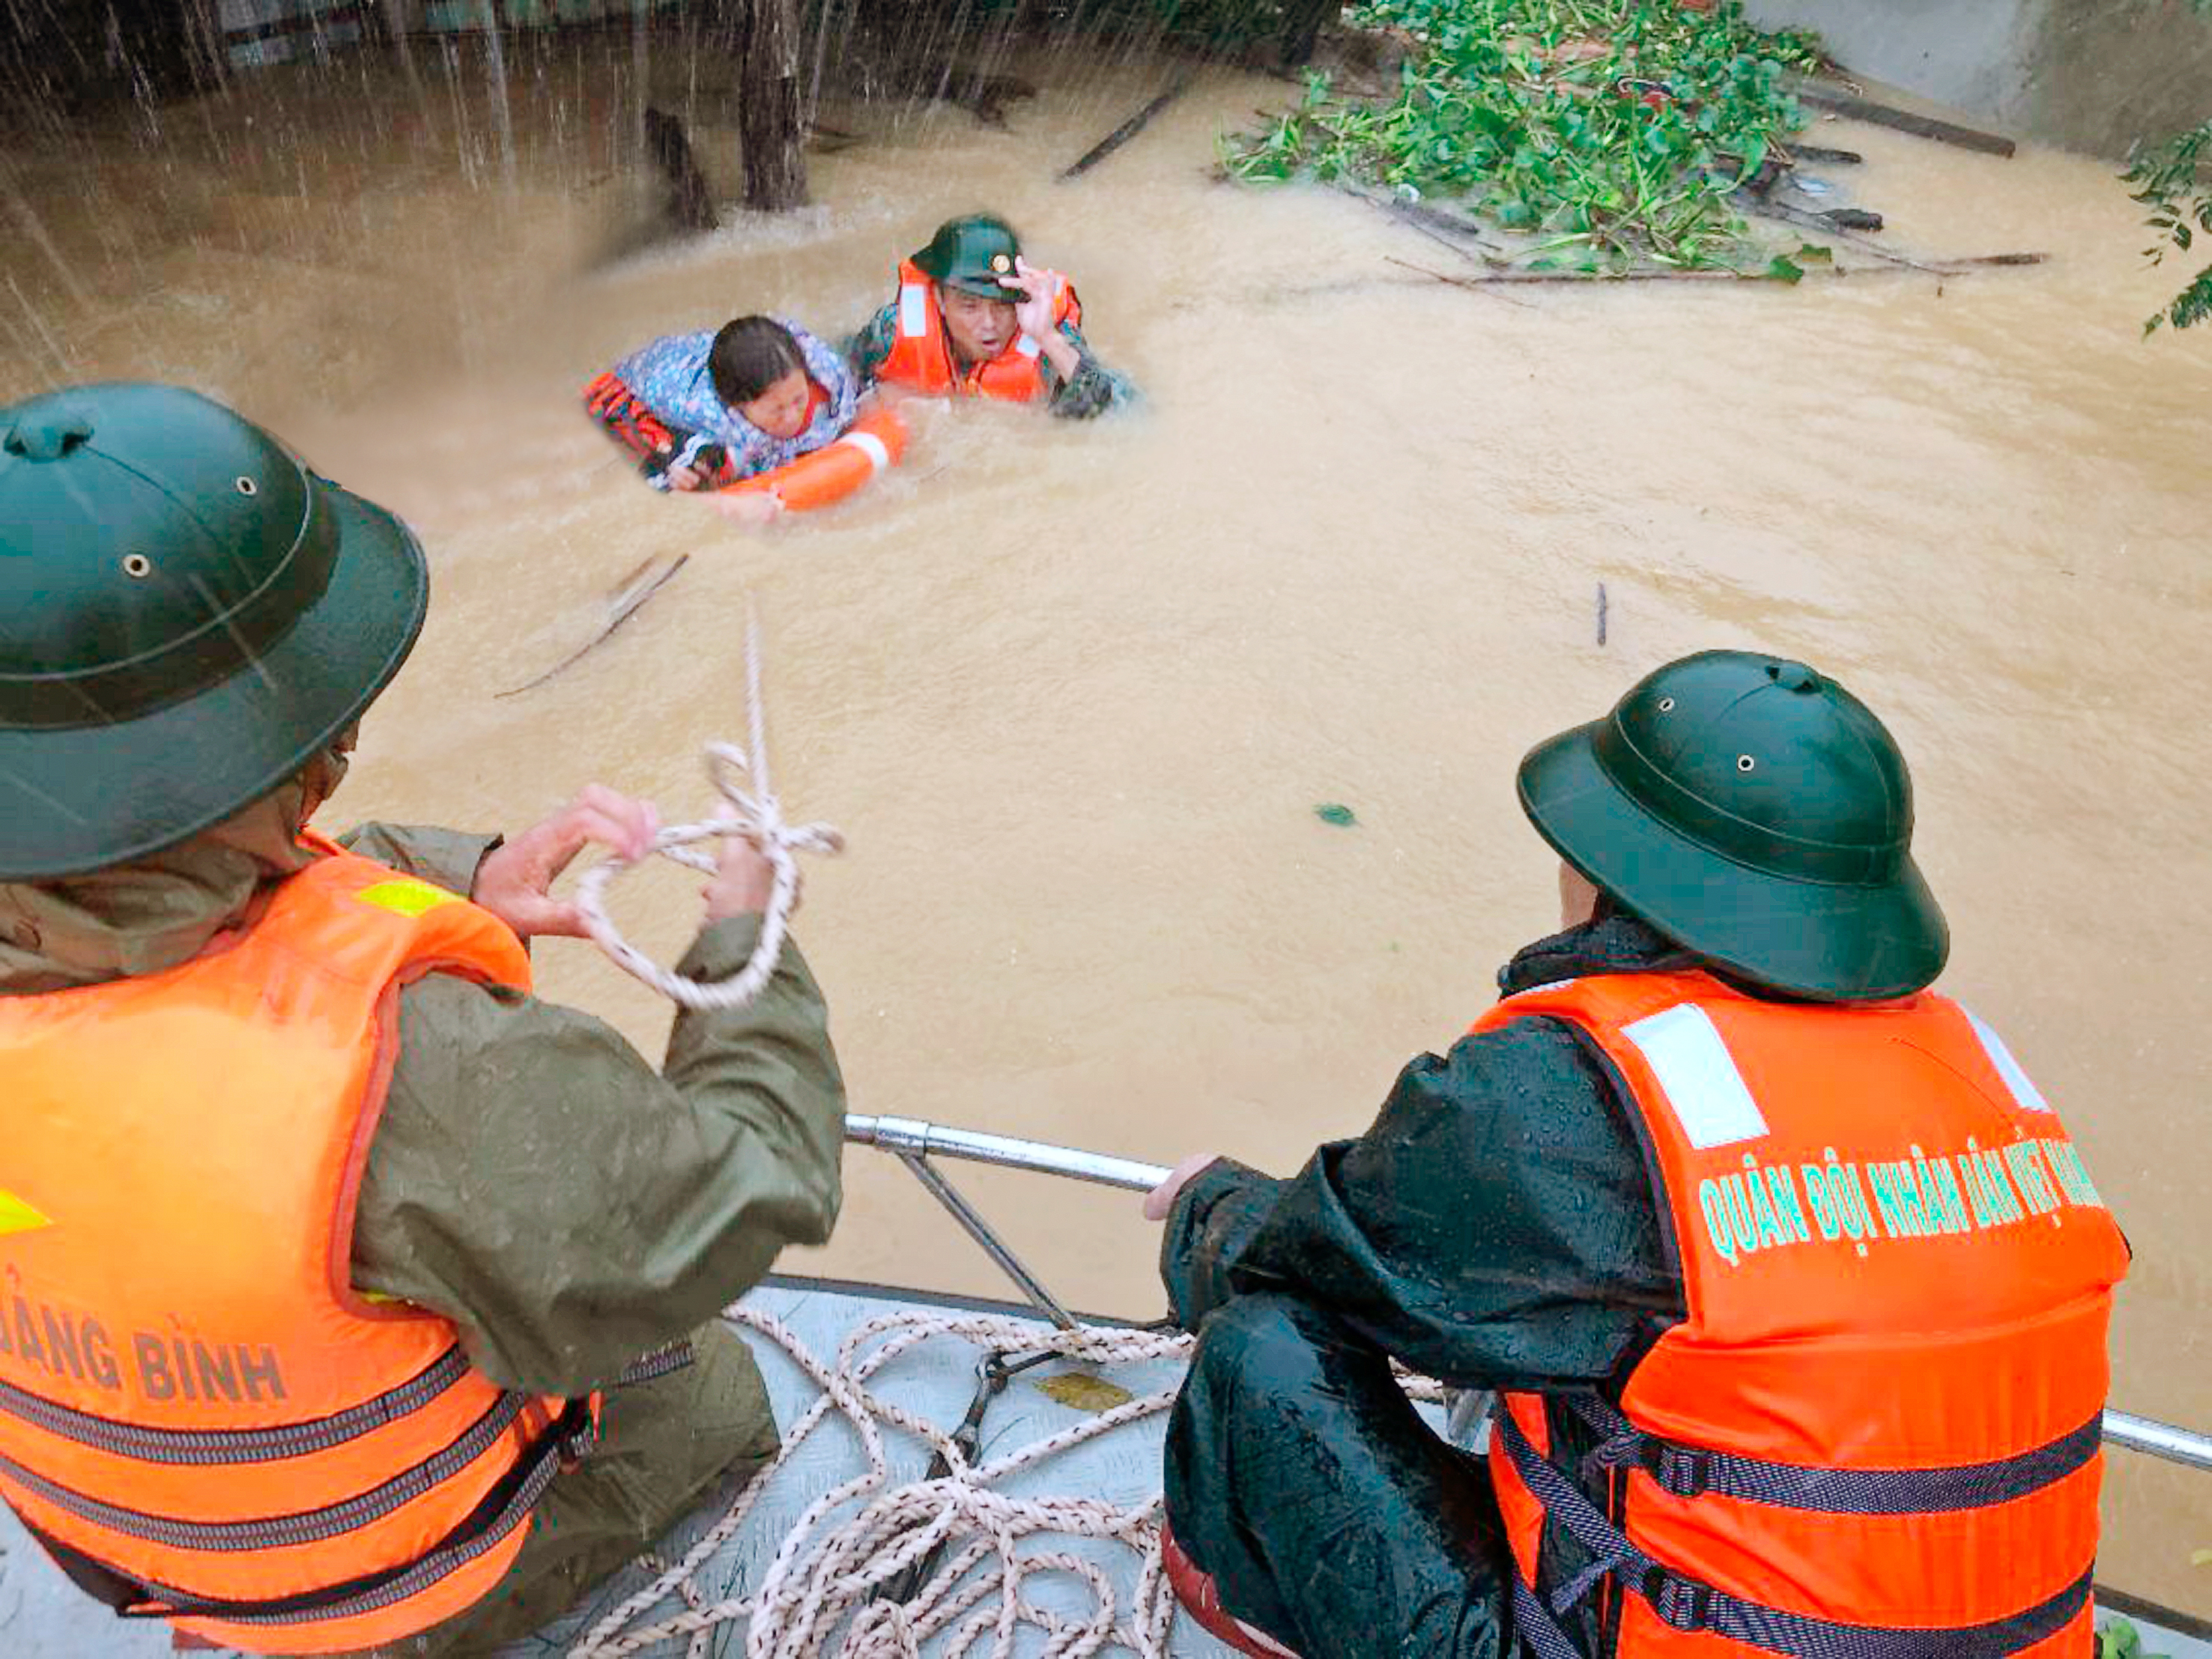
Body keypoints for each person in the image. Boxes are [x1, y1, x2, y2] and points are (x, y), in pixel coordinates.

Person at [0, 382, 845, 1657]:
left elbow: (169, 918)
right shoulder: (423, 1068)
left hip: (129, 1542)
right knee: (699, 1385)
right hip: (375, 1585)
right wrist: (747, 939)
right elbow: (743, 1188)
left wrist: (459, 879)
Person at [1142, 651, 2130, 1659]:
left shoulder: (1576, 1091)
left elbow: (1324, 1256)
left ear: (1617, 878)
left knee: (1262, 1345)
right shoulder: (1990, 1084)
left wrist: (1205, 1210)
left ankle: (1247, 1616)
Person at [846, 213, 1132, 419]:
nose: (989, 324)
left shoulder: (1048, 340)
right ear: (940, 300)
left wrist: (1048, 337)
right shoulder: (891, 331)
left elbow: (1117, 413)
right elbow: (840, 377)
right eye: (969, 306)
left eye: (1002, 306)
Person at [584, 313, 859, 524]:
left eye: (799, 399)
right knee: (654, 443)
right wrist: (727, 504)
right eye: (776, 410)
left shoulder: (824, 374)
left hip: (707, 351)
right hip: (649, 381)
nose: (792, 417)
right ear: (737, 406)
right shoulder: (712, 425)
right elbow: (664, 497)